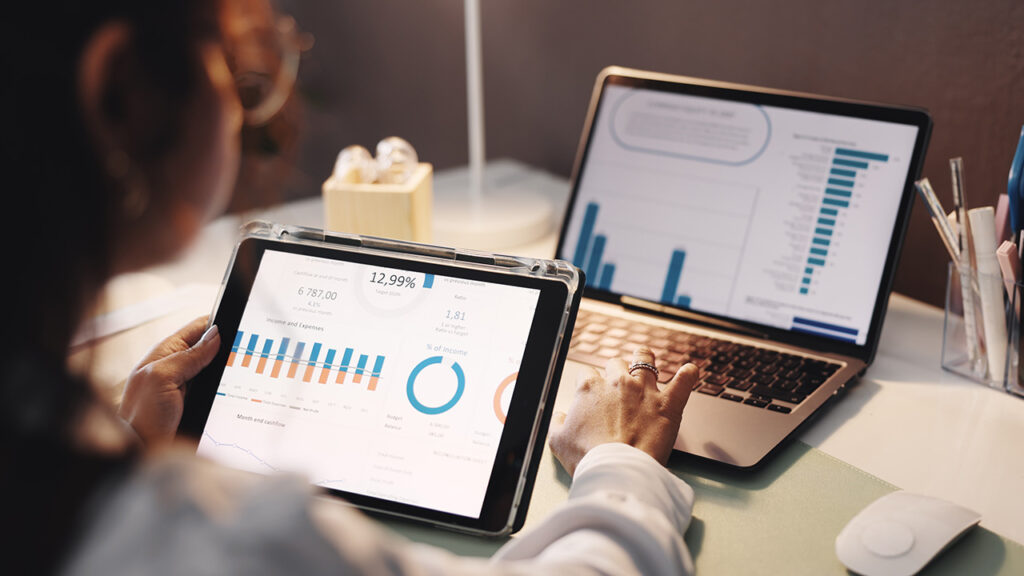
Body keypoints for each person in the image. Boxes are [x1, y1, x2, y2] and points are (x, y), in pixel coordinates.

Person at [2, 1, 700, 574]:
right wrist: (623, 467)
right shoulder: (240, 543)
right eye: (230, 64)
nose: (248, 99)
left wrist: (129, 442)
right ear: (121, 97)